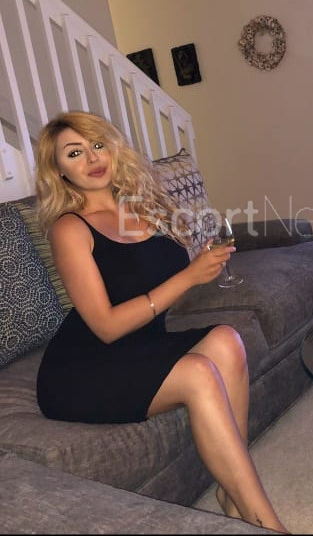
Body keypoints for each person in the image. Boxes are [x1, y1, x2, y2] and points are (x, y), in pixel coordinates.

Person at [35, 111, 287, 533]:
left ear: (113, 149)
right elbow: (106, 327)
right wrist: (189, 276)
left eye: (97, 145)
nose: (92, 159)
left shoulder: (143, 209)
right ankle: (269, 526)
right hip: (82, 368)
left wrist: (201, 262)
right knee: (199, 373)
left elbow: (153, 277)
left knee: (228, 340)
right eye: (74, 153)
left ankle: (232, 495)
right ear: (59, 170)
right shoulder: (69, 229)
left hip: (141, 345)